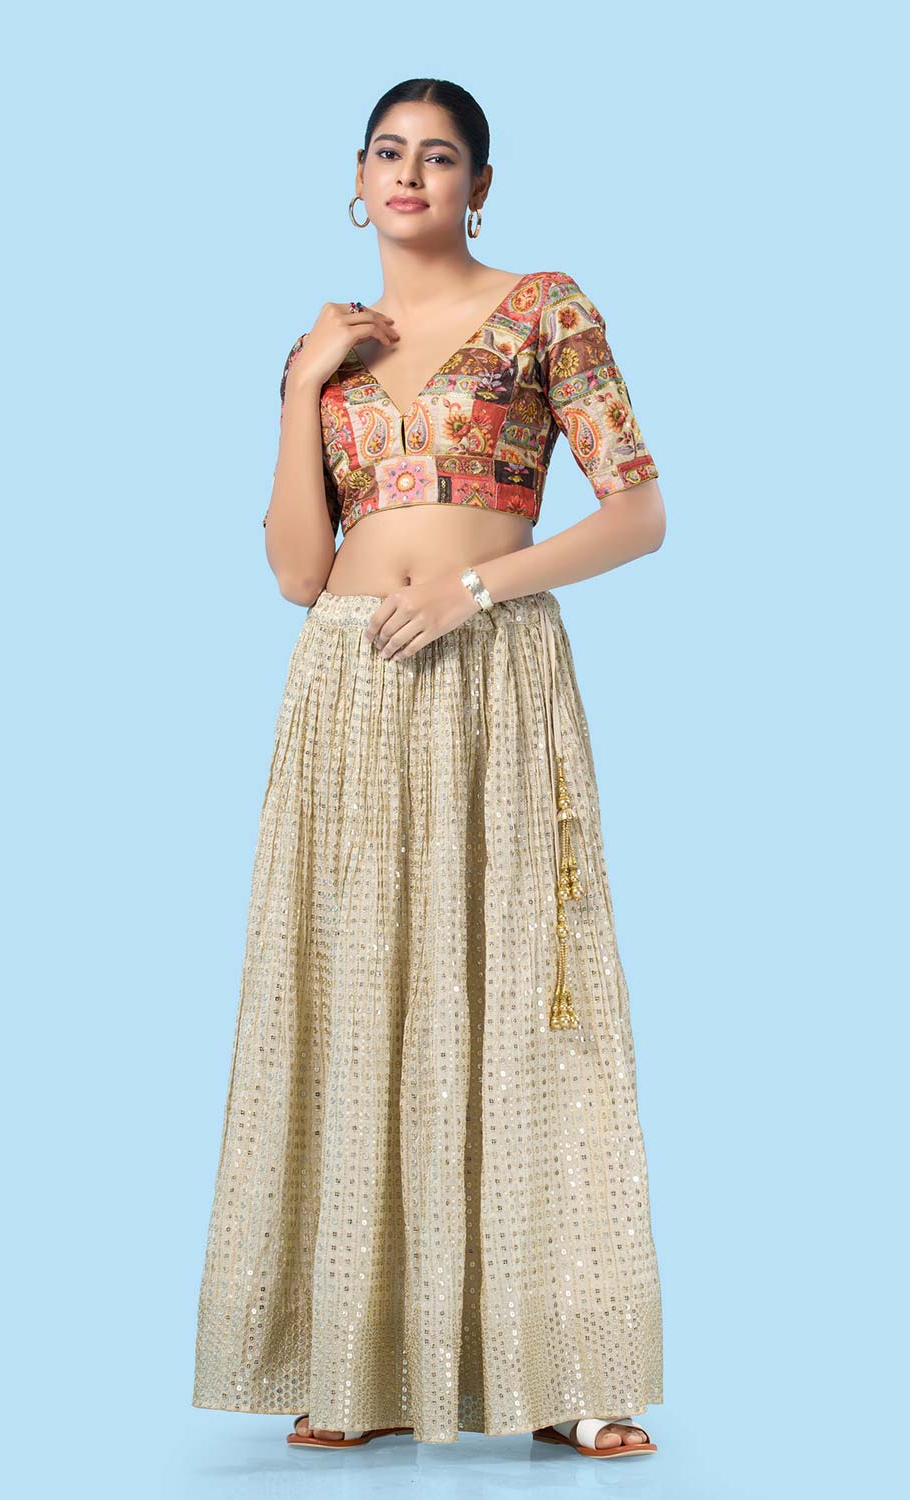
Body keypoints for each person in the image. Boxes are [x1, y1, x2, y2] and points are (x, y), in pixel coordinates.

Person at [191, 76, 666, 1459]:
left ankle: (570, 1371)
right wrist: (303, 384)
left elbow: (638, 513)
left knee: (528, 990)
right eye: (390, 153)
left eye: (440, 155)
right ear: (358, 179)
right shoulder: (323, 349)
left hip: (493, 667)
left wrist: (478, 591)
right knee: (354, 1000)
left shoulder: (545, 309)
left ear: (479, 185)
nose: (411, 173)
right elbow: (297, 571)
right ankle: (362, 1364)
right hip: (347, 684)